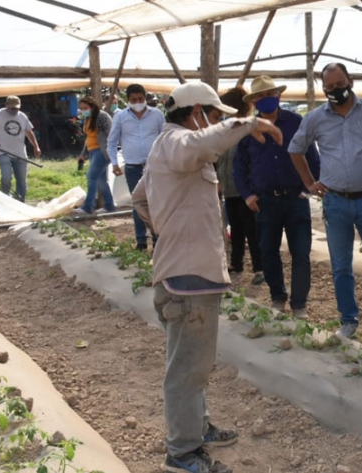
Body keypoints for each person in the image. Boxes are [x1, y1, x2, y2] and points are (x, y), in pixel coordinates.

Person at [131, 81, 283, 473]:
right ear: (195, 112)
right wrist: (249, 124)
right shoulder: (177, 143)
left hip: (186, 271)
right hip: (188, 277)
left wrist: (169, 231)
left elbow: (140, 198)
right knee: (187, 370)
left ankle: (197, 428)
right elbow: (200, 146)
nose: (217, 125)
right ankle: (182, 453)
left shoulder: (166, 148)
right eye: (214, 117)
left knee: (193, 362)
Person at [288, 62, 362, 342]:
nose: (335, 91)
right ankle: (348, 320)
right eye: (329, 88)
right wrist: (309, 182)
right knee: (341, 265)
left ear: (350, 81)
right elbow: (295, 149)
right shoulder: (316, 118)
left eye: (340, 85)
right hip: (335, 201)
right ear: (323, 89)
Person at [235, 76, 320, 317]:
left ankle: (299, 303)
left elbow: (312, 158)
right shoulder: (247, 128)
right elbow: (239, 167)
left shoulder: (295, 122)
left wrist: (308, 188)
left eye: (269, 94)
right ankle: (277, 297)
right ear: (252, 101)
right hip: (265, 201)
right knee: (269, 251)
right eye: (259, 96)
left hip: (296, 199)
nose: (265, 99)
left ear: (279, 96)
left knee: (301, 252)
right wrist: (248, 195)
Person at [107, 83, 165, 249]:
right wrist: (114, 163)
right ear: (128, 100)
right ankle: (141, 241)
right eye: (134, 99)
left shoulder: (157, 115)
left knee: (156, 202)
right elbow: (111, 142)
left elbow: (166, 137)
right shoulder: (120, 117)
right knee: (138, 203)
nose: (138, 102)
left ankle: (157, 239)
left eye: (141, 99)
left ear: (145, 97)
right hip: (133, 167)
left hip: (155, 166)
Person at [217, 87, 263, 282]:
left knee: (251, 230)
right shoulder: (226, 128)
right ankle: (236, 263)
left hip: (246, 190)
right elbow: (221, 159)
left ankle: (259, 268)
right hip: (229, 189)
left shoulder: (248, 128)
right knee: (235, 228)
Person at [0, 95, 41, 202]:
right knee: (6, 177)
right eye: (12, 108)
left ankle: (21, 201)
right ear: (6, 105)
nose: (14, 110)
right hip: (3, 152)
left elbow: (29, 132)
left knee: (21, 180)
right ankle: (6, 201)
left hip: (20, 153)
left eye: (16, 108)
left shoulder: (22, 116)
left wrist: (36, 146)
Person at [74, 97, 115, 215]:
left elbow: (111, 134)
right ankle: (109, 206)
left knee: (91, 177)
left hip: (102, 151)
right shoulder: (88, 118)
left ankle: (88, 207)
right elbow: (89, 138)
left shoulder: (102, 116)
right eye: (81, 108)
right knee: (102, 181)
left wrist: (110, 151)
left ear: (92, 106)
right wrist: (83, 154)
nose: (83, 110)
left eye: (85, 108)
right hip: (92, 151)